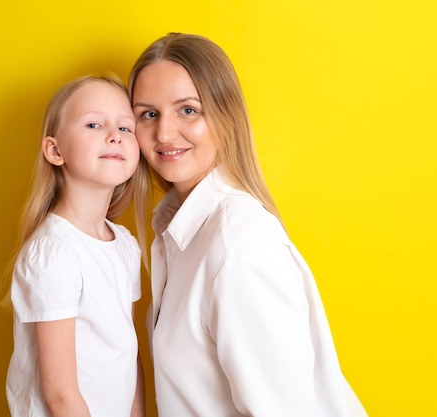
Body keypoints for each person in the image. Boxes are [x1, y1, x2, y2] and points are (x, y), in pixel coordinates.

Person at [129, 32, 367, 416]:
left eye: (188, 110)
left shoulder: (237, 246)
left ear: (225, 114)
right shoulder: (179, 231)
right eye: (148, 114)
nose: (165, 133)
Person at [5, 75, 145, 417]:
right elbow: (60, 395)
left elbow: (128, 354)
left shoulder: (124, 245)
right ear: (55, 150)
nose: (114, 135)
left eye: (126, 128)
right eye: (94, 124)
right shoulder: (55, 253)